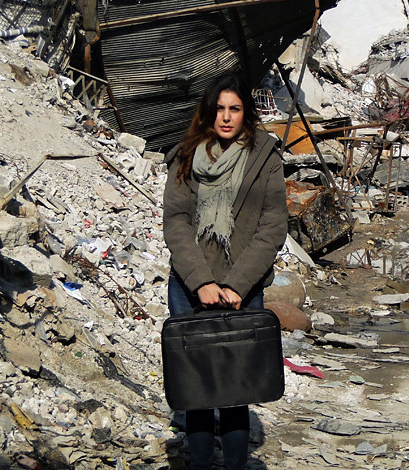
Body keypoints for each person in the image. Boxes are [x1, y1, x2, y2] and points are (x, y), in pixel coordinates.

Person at [162, 72, 288, 470]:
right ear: (208, 113)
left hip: (243, 288)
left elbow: (273, 225)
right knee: (196, 385)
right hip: (189, 285)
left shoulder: (265, 156)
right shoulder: (186, 155)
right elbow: (176, 222)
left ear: (245, 114)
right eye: (219, 109)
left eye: (234, 109)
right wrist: (201, 282)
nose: (226, 117)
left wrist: (235, 284)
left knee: (237, 388)